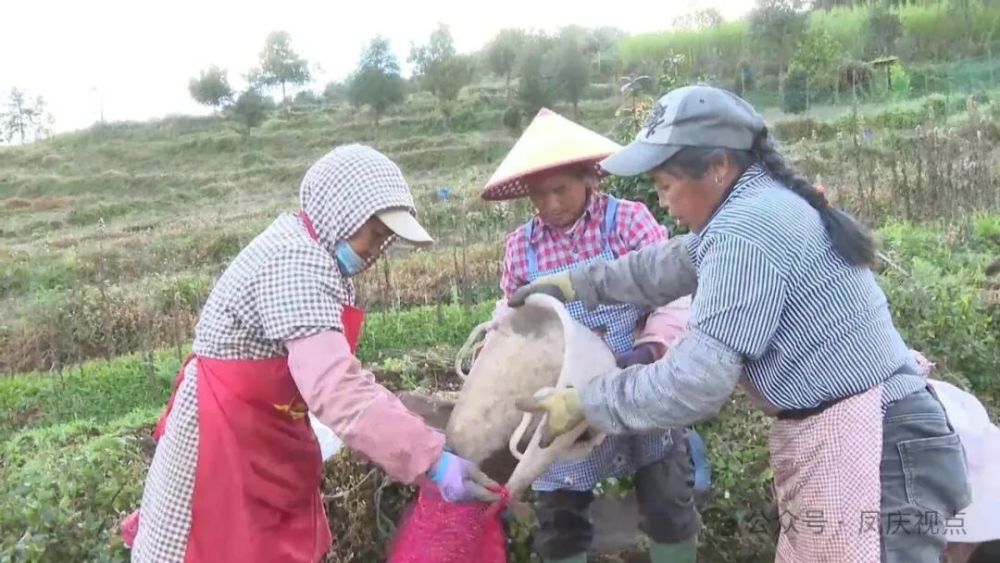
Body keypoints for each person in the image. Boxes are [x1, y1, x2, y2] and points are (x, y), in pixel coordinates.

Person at [512, 86, 971, 562]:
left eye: (666, 185)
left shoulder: (748, 231)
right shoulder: (750, 211)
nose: (663, 203)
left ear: (718, 166)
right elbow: (661, 266)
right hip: (865, 437)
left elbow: (694, 383)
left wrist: (586, 402)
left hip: (878, 448)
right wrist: (572, 284)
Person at [127, 144, 498, 563]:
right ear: (343, 213)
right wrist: (430, 459)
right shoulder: (295, 263)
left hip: (264, 432)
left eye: (385, 240)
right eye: (375, 234)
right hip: (223, 442)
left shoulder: (315, 256)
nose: (376, 250)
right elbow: (336, 387)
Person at [481, 108, 703, 563]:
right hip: (563, 397)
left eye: (560, 188)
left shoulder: (627, 222)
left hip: (637, 379)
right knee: (560, 517)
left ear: (589, 178)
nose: (550, 204)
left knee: (667, 498)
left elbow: (673, 296)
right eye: (538, 194)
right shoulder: (522, 247)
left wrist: (649, 349)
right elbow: (513, 324)